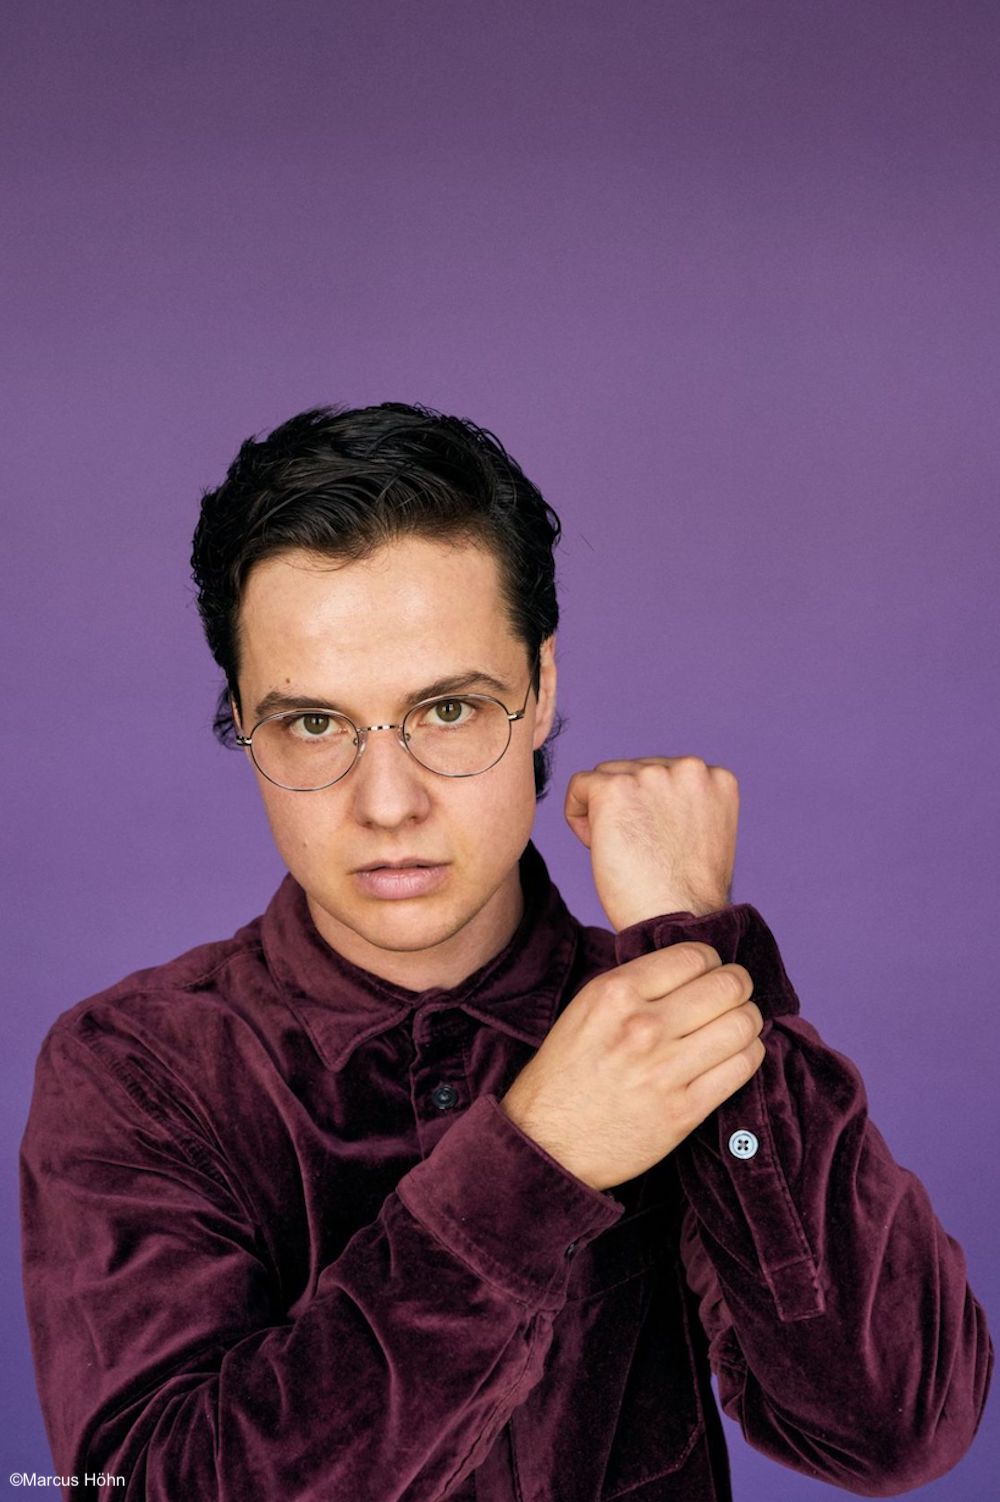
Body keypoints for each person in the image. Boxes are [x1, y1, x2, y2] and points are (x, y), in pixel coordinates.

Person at [20, 403, 992, 1502]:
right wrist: (542, 1157)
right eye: (313, 724)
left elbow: (895, 1428)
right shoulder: (136, 1069)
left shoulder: (656, 1011)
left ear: (541, 690)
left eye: (447, 708)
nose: (387, 804)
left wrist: (694, 943)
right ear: (242, 719)